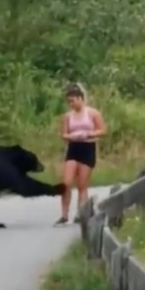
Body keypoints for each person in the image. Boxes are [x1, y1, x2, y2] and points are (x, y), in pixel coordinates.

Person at [56, 84, 106, 225]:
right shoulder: (68, 116)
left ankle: (81, 213)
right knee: (66, 183)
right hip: (73, 148)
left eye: (73, 101)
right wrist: (72, 136)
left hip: (88, 147)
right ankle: (64, 214)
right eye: (69, 102)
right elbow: (64, 134)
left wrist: (88, 133)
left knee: (82, 185)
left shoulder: (93, 113)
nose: (71, 104)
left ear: (80, 99)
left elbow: (102, 130)